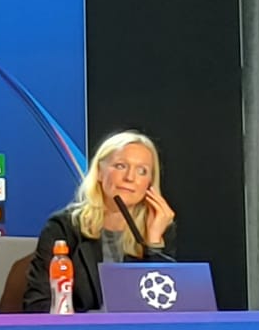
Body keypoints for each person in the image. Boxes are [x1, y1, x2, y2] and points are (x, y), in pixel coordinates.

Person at [22, 129, 177, 313]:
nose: (130, 178)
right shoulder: (64, 227)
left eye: (142, 171)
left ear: (149, 184)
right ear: (100, 173)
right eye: (120, 166)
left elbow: (164, 308)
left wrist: (153, 245)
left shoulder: (159, 228)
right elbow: (38, 304)